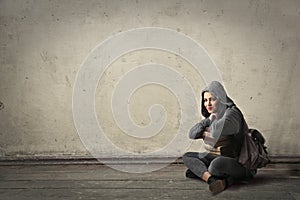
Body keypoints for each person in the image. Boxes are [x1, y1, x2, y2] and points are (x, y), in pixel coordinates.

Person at [182, 81, 256, 194]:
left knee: (215, 165)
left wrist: (210, 124)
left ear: (221, 98)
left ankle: (206, 174)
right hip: (222, 157)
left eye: (212, 99)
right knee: (187, 156)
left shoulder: (233, 114)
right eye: (205, 100)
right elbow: (192, 134)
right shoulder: (214, 115)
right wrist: (208, 120)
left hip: (241, 163)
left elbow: (216, 131)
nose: (208, 104)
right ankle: (212, 179)